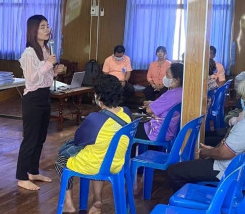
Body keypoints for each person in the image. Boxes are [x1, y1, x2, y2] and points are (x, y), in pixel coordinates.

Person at [54, 74, 132, 214]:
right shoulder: (126, 113)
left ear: (100, 97)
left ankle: (69, 204)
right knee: (100, 151)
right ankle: (97, 201)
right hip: (117, 162)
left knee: (61, 160)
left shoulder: (95, 119)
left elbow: (79, 140)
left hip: (96, 165)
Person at [167, 80, 245, 192]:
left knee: (173, 171)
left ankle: (189, 204)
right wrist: (215, 150)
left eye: (242, 97)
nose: (241, 100)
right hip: (235, 163)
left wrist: (207, 153)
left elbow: (224, 154)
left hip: (229, 170)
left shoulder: (243, 125)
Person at [16, 15, 64, 191]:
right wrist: (47, 64)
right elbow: (31, 79)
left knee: (40, 138)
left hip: (45, 95)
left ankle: (33, 171)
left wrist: (55, 70)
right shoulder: (29, 53)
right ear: (33, 30)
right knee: (30, 139)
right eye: (42, 27)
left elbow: (44, 77)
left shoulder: (45, 50)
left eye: (48, 26)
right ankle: (21, 177)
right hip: (33, 98)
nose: (47, 29)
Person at [135, 63, 183, 143]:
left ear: (176, 80)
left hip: (158, 132)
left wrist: (152, 107)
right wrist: (153, 103)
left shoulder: (170, 95)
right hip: (170, 130)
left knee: (130, 130)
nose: (165, 77)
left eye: (167, 75)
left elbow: (149, 110)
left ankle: (131, 155)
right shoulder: (180, 92)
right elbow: (166, 105)